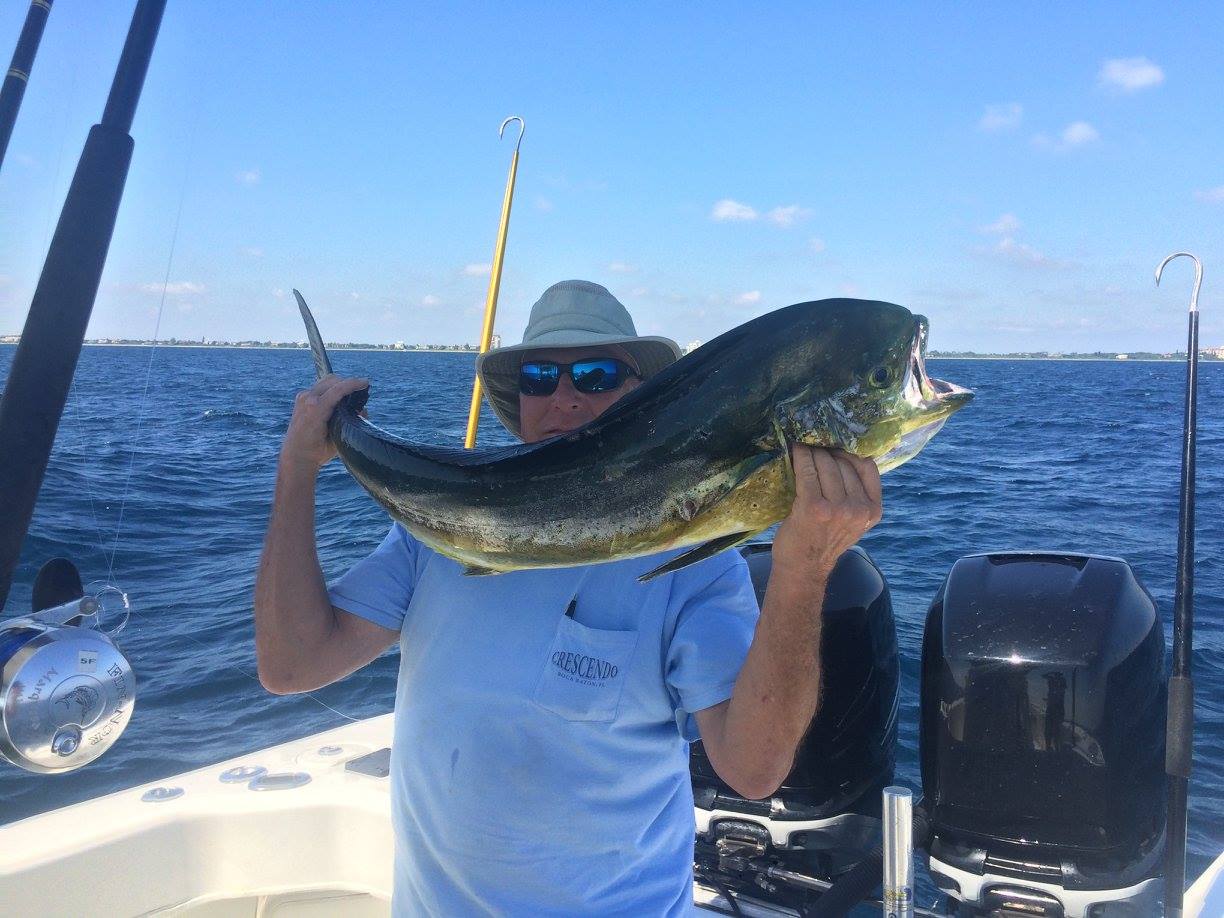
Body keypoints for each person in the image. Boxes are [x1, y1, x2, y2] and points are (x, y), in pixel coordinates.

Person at [254, 279, 882, 916]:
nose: (564, 399)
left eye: (595, 374)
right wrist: (298, 465)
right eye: (538, 378)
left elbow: (753, 768)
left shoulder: (696, 563)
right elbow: (292, 664)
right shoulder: (449, 529)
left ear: (643, 398)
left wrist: (804, 567)